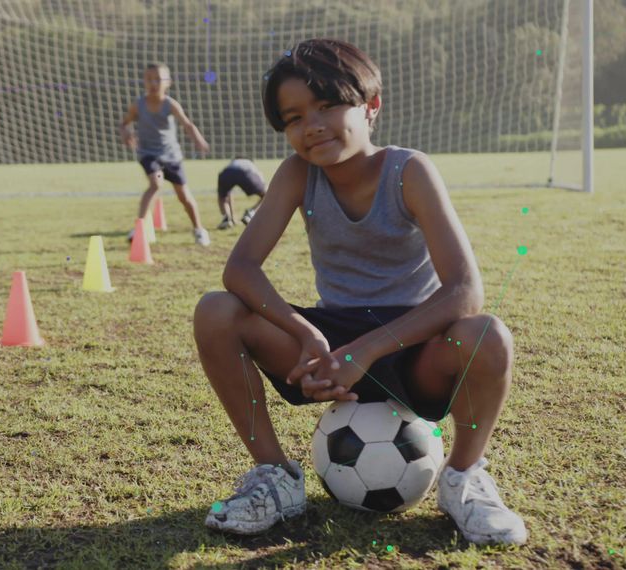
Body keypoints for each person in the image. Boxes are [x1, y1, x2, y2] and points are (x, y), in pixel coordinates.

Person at [192, 38, 528, 545]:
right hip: (330, 339)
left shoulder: (408, 171)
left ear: (371, 106)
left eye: (328, 105)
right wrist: (306, 334)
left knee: (488, 334)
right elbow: (240, 269)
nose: (313, 125)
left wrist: (365, 351)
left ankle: (464, 478)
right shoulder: (298, 175)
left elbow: (464, 290)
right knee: (216, 312)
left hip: (413, 344)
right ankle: (275, 477)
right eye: (294, 117)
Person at [120, 63, 211, 246]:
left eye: (158, 79)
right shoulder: (138, 105)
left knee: (183, 195)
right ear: (144, 82)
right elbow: (124, 123)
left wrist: (198, 139)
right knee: (155, 183)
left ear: (168, 82)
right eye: (149, 79)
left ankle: (199, 230)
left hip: (171, 156)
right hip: (149, 154)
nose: (153, 83)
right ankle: (139, 228)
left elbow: (187, 124)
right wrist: (126, 133)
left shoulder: (170, 104)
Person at [216, 157, 267, 230]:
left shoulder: (232, 163)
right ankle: (250, 213)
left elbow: (229, 194)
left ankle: (226, 218)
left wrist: (232, 216)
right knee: (266, 195)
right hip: (246, 172)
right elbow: (262, 182)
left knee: (223, 197)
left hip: (226, 172)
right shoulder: (250, 164)